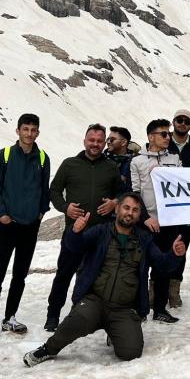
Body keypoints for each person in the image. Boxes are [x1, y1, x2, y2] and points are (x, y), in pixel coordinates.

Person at [22, 192, 186, 366]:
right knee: (73, 323)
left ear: (139, 215)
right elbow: (75, 247)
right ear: (117, 209)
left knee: (131, 352)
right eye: (126, 207)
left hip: (124, 308)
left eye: (135, 210)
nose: (130, 213)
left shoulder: (144, 239)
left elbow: (162, 265)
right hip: (95, 301)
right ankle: (47, 349)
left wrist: (175, 255)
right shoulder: (101, 232)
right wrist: (75, 232)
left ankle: (114, 332)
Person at [0, 114, 51, 339]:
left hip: (30, 225)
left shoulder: (43, 158)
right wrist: (1, 214)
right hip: (8, 224)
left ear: (37, 132)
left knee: (20, 274)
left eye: (33, 130)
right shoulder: (4, 156)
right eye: (25, 129)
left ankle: (10, 317)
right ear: (17, 130)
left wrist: (40, 212)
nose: (29, 133)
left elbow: (44, 188)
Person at [45, 123, 122, 331]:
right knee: (64, 273)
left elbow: (123, 193)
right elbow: (54, 190)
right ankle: (53, 315)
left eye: (99, 141)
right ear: (84, 141)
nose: (95, 144)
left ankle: (83, 315)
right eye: (91, 140)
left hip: (101, 234)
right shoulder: (70, 164)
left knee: (94, 275)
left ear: (104, 142)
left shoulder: (111, 167)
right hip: (74, 231)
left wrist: (115, 203)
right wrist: (65, 207)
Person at [131, 118, 183, 322]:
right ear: (150, 136)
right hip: (145, 223)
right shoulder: (137, 161)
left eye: (168, 134)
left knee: (163, 268)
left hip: (168, 222)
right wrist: (144, 219)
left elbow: (183, 187)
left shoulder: (175, 159)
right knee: (140, 267)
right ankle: (140, 309)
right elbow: (134, 194)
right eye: (163, 134)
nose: (168, 137)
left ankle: (160, 309)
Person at [164, 109, 190, 309]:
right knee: (162, 246)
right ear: (173, 122)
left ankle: (174, 289)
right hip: (164, 208)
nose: (182, 123)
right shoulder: (163, 143)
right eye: (179, 120)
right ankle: (156, 289)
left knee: (181, 247)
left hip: (187, 209)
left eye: (186, 121)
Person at [104, 126, 138, 192]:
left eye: (112, 139)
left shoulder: (135, 162)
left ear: (123, 142)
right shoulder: (102, 159)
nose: (108, 142)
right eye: (107, 139)